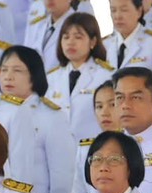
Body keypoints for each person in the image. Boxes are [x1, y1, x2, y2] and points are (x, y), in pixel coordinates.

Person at [0, 45, 65, 193]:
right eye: (4, 70)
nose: (8, 76)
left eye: (17, 70)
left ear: (34, 76)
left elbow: (61, 178)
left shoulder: (51, 116)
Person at [46, 11, 113, 143]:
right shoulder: (51, 77)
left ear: (93, 41)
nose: (70, 42)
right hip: (59, 149)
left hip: (94, 148)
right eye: (65, 37)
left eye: (78, 37)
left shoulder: (107, 75)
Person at [105, 0, 152, 71]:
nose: (117, 16)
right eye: (113, 10)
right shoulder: (105, 44)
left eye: (124, 10)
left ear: (139, 11)